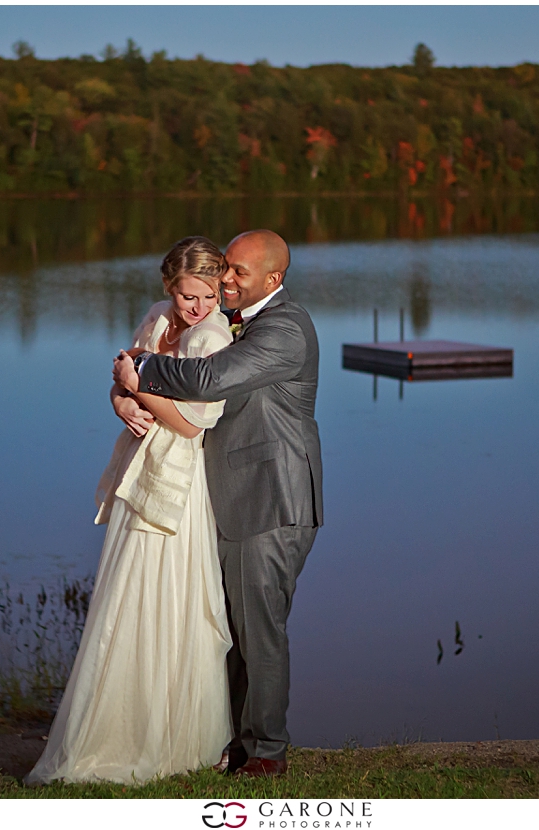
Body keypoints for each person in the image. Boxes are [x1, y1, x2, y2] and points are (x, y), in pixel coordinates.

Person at [113, 229, 322, 778]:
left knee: (260, 632)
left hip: (272, 500)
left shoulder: (284, 329)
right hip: (232, 496)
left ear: (273, 279)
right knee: (232, 631)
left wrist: (142, 371)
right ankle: (235, 742)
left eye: (239, 273)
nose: (225, 279)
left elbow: (209, 378)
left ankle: (268, 753)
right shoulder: (237, 321)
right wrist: (122, 388)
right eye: (225, 268)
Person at [25, 237, 234, 785]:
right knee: (125, 597)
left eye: (208, 295)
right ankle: (116, 726)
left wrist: (139, 386)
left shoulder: (214, 336)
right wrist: (122, 400)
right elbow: (120, 387)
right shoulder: (157, 317)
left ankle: (172, 737)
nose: (196, 308)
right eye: (187, 296)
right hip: (136, 471)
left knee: (168, 599)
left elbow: (192, 423)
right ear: (170, 287)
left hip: (177, 482)